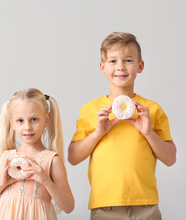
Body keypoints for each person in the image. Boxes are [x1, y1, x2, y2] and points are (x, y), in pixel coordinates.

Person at [68, 32, 177, 220]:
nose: (120, 67)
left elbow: (170, 159)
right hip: (105, 207)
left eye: (128, 60)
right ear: (102, 67)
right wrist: (98, 133)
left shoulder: (151, 110)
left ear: (140, 66)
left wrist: (148, 133)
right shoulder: (91, 110)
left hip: (146, 206)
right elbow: (73, 157)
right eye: (112, 61)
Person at [0, 88, 74, 219]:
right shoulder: (5, 158)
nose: (27, 127)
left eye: (34, 119)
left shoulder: (51, 160)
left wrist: (46, 181)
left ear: (47, 119)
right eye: (20, 121)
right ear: (12, 122)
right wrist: (1, 184)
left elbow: (68, 207)